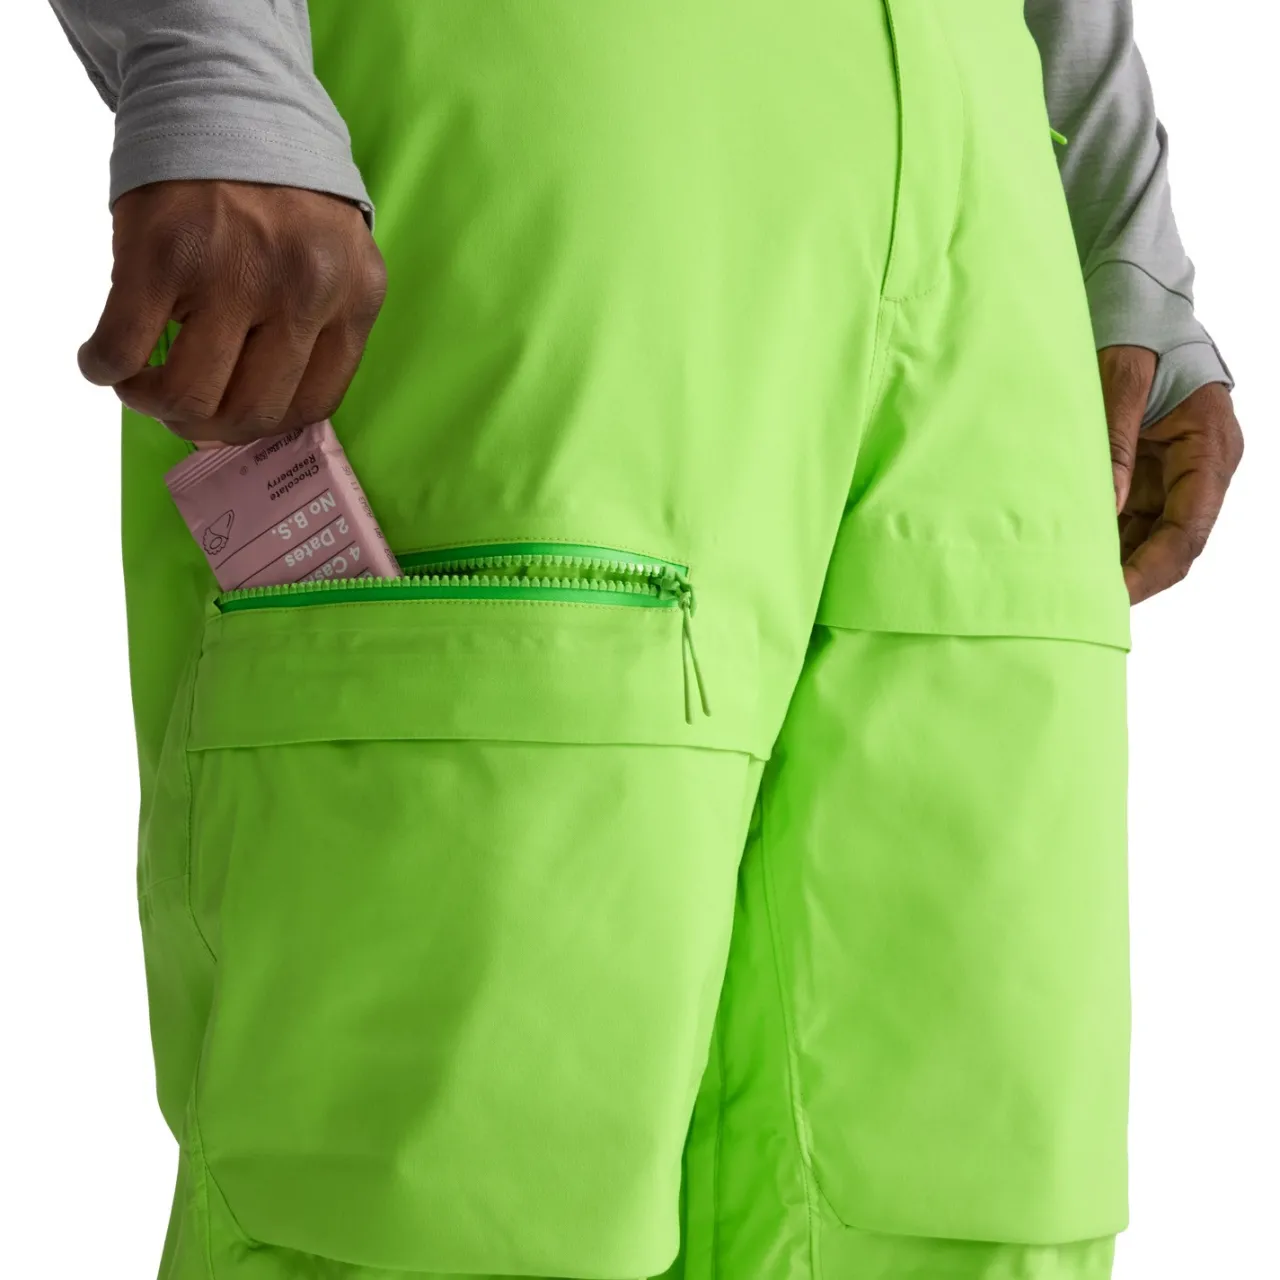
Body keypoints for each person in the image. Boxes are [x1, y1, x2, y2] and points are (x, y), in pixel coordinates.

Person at [49, 3, 1243, 1279]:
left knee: (958, 1165)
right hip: (535, 113)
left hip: (989, 184)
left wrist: (1116, 224)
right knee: (467, 1166)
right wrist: (217, 55)